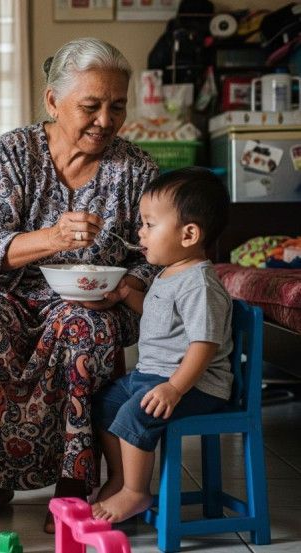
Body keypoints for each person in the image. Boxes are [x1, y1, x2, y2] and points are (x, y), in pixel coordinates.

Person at [0, 37, 160, 530]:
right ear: (53, 101)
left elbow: (154, 259)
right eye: (91, 105)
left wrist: (124, 288)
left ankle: (74, 481)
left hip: (93, 306)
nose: (105, 120)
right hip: (10, 298)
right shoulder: (15, 152)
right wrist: (53, 237)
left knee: (84, 328)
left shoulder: (137, 170)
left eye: (117, 106)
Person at [91, 167, 232, 523]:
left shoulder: (199, 283)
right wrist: (126, 294)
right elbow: (158, 315)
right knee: (106, 402)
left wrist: (174, 387)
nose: (141, 232)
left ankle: (136, 493)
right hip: (154, 376)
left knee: (136, 413)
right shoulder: (169, 273)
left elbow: (204, 344)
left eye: (150, 224)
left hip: (195, 385)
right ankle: (122, 478)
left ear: (188, 234)